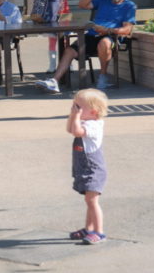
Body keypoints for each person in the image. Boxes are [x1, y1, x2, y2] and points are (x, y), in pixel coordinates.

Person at [35, 0, 136, 93]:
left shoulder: (129, 6)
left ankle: (102, 78)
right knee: (69, 50)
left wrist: (107, 30)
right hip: (92, 34)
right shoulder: (103, 0)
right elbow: (82, 5)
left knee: (105, 43)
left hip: (110, 36)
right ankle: (54, 81)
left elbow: (127, 30)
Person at [67, 88, 108, 245]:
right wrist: (73, 115)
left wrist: (75, 117)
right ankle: (88, 228)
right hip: (83, 167)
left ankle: (99, 232)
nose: (75, 109)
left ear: (93, 112)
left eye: (79, 106)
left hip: (93, 170)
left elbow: (77, 132)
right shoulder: (85, 121)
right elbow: (70, 129)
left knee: (92, 201)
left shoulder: (94, 125)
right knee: (89, 201)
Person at [37, 0, 80, 73]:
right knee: (52, 41)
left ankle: (68, 64)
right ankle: (52, 65)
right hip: (51, 16)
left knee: (65, 40)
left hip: (64, 15)